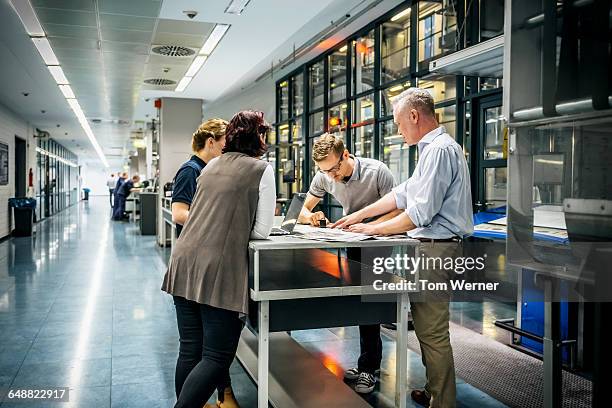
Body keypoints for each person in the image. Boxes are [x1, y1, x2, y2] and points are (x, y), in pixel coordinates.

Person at [332, 88, 474, 408]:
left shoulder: (439, 150)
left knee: (432, 332)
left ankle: (443, 402)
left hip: (436, 251)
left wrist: (371, 229)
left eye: (398, 123)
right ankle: (434, 389)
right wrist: (356, 216)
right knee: (426, 329)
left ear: (414, 116)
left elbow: (417, 214)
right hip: (428, 249)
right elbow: (401, 194)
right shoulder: (432, 150)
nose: (397, 131)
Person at [161, 110, 275, 408]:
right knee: (216, 356)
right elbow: (262, 231)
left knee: (190, 350)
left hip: (184, 262)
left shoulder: (209, 167)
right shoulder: (261, 169)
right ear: (257, 137)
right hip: (219, 270)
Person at [297, 133, 400, 394]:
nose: (330, 176)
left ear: (346, 155)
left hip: (378, 240)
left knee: (369, 303)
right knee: (356, 301)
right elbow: (303, 209)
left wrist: (367, 227)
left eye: (334, 168)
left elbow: (398, 209)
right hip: (351, 239)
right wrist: (311, 217)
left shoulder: (377, 172)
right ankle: (368, 362)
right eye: (324, 171)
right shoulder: (324, 175)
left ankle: (368, 368)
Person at [172, 118, 228, 238]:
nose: (228, 148)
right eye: (226, 142)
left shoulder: (209, 169)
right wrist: (215, 226)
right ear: (211, 142)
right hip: (192, 244)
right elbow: (179, 214)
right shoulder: (190, 170)